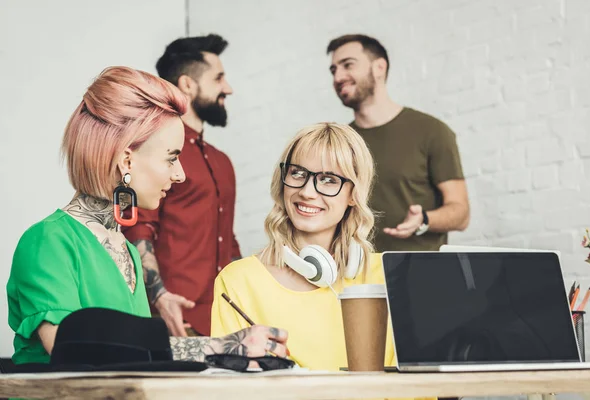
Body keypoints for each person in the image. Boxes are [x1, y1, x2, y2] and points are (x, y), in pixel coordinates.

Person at [6, 66, 287, 365]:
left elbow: (137, 353)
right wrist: (219, 346)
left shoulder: (124, 246)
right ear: (127, 159)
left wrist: (228, 346)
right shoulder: (48, 241)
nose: (180, 174)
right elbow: (74, 350)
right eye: (171, 157)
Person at [210, 122, 397, 372]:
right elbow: (226, 387)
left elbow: (417, 389)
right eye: (297, 173)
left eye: (329, 180)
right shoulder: (238, 282)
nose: (307, 192)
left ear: (354, 194)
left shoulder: (387, 276)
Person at [122, 34, 240, 337]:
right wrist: (159, 298)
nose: (228, 88)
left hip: (222, 323)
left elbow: (227, 241)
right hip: (174, 324)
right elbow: (137, 227)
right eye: (219, 78)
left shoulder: (222, 162)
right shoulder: (151, 152)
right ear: (187, 84)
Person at [327, 34, 470, 252]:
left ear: (379, 67)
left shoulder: (431, 131)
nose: (338, 77)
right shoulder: (341, 143)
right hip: (357, 277)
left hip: (420, 275)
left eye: (348, 65)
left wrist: (424, 219)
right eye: (334, 70)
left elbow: (461, 213)